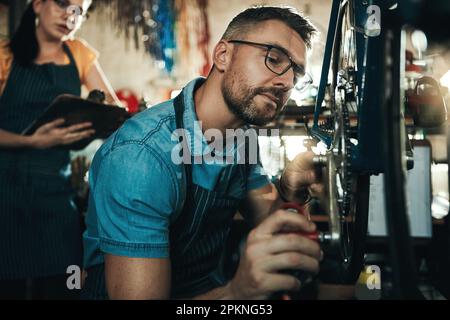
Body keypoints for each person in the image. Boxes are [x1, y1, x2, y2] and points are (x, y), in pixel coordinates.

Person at [82, 5, 322, 300]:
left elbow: (275, 229)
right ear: (223, 55)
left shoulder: (242, 138)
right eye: (274, 59)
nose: (286, 82)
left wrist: (293, 190)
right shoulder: (141, 157)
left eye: (296, 75)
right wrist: (238, 293)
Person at [0, 0, 120, 299]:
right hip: (5, 191)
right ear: (37, 6)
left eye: (79, 10)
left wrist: (96, 117)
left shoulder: (79, 53)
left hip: (56, 191)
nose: (70, 14)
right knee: (9, 284)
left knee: (68, 280)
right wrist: (32, 142)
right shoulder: (4, 56)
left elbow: (115, 112)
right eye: (63, 3)